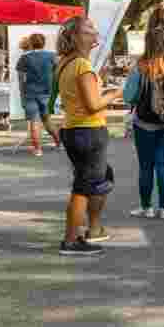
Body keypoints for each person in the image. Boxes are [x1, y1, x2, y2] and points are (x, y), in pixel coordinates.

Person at [49, 17, 121, 257]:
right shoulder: (81, 65)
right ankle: (72, 240)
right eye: (89, 29)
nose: (95, 31)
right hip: (88, 130)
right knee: (83, 188)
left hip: (74, 129)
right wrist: (114, 94)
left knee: (87, 183)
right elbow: (92, 105)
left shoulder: (65, 63)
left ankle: (87, 232)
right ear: (76, 37)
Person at [122, 27, 164, 220]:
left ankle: (146, 207)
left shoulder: (141, 66)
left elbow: (129, 96)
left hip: (144, 123)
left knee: (146, 166)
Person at [16, 33, 59, 155]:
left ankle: (38, 149)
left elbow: (20, 78)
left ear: (30, 43)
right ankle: (58, 142)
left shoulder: (24, 58)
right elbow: (57, 73)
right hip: (46, 92)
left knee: (34, 121)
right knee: (47, 120)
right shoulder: (52, 56)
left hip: (29, 93)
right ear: (44, 42)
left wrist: (21, 92)